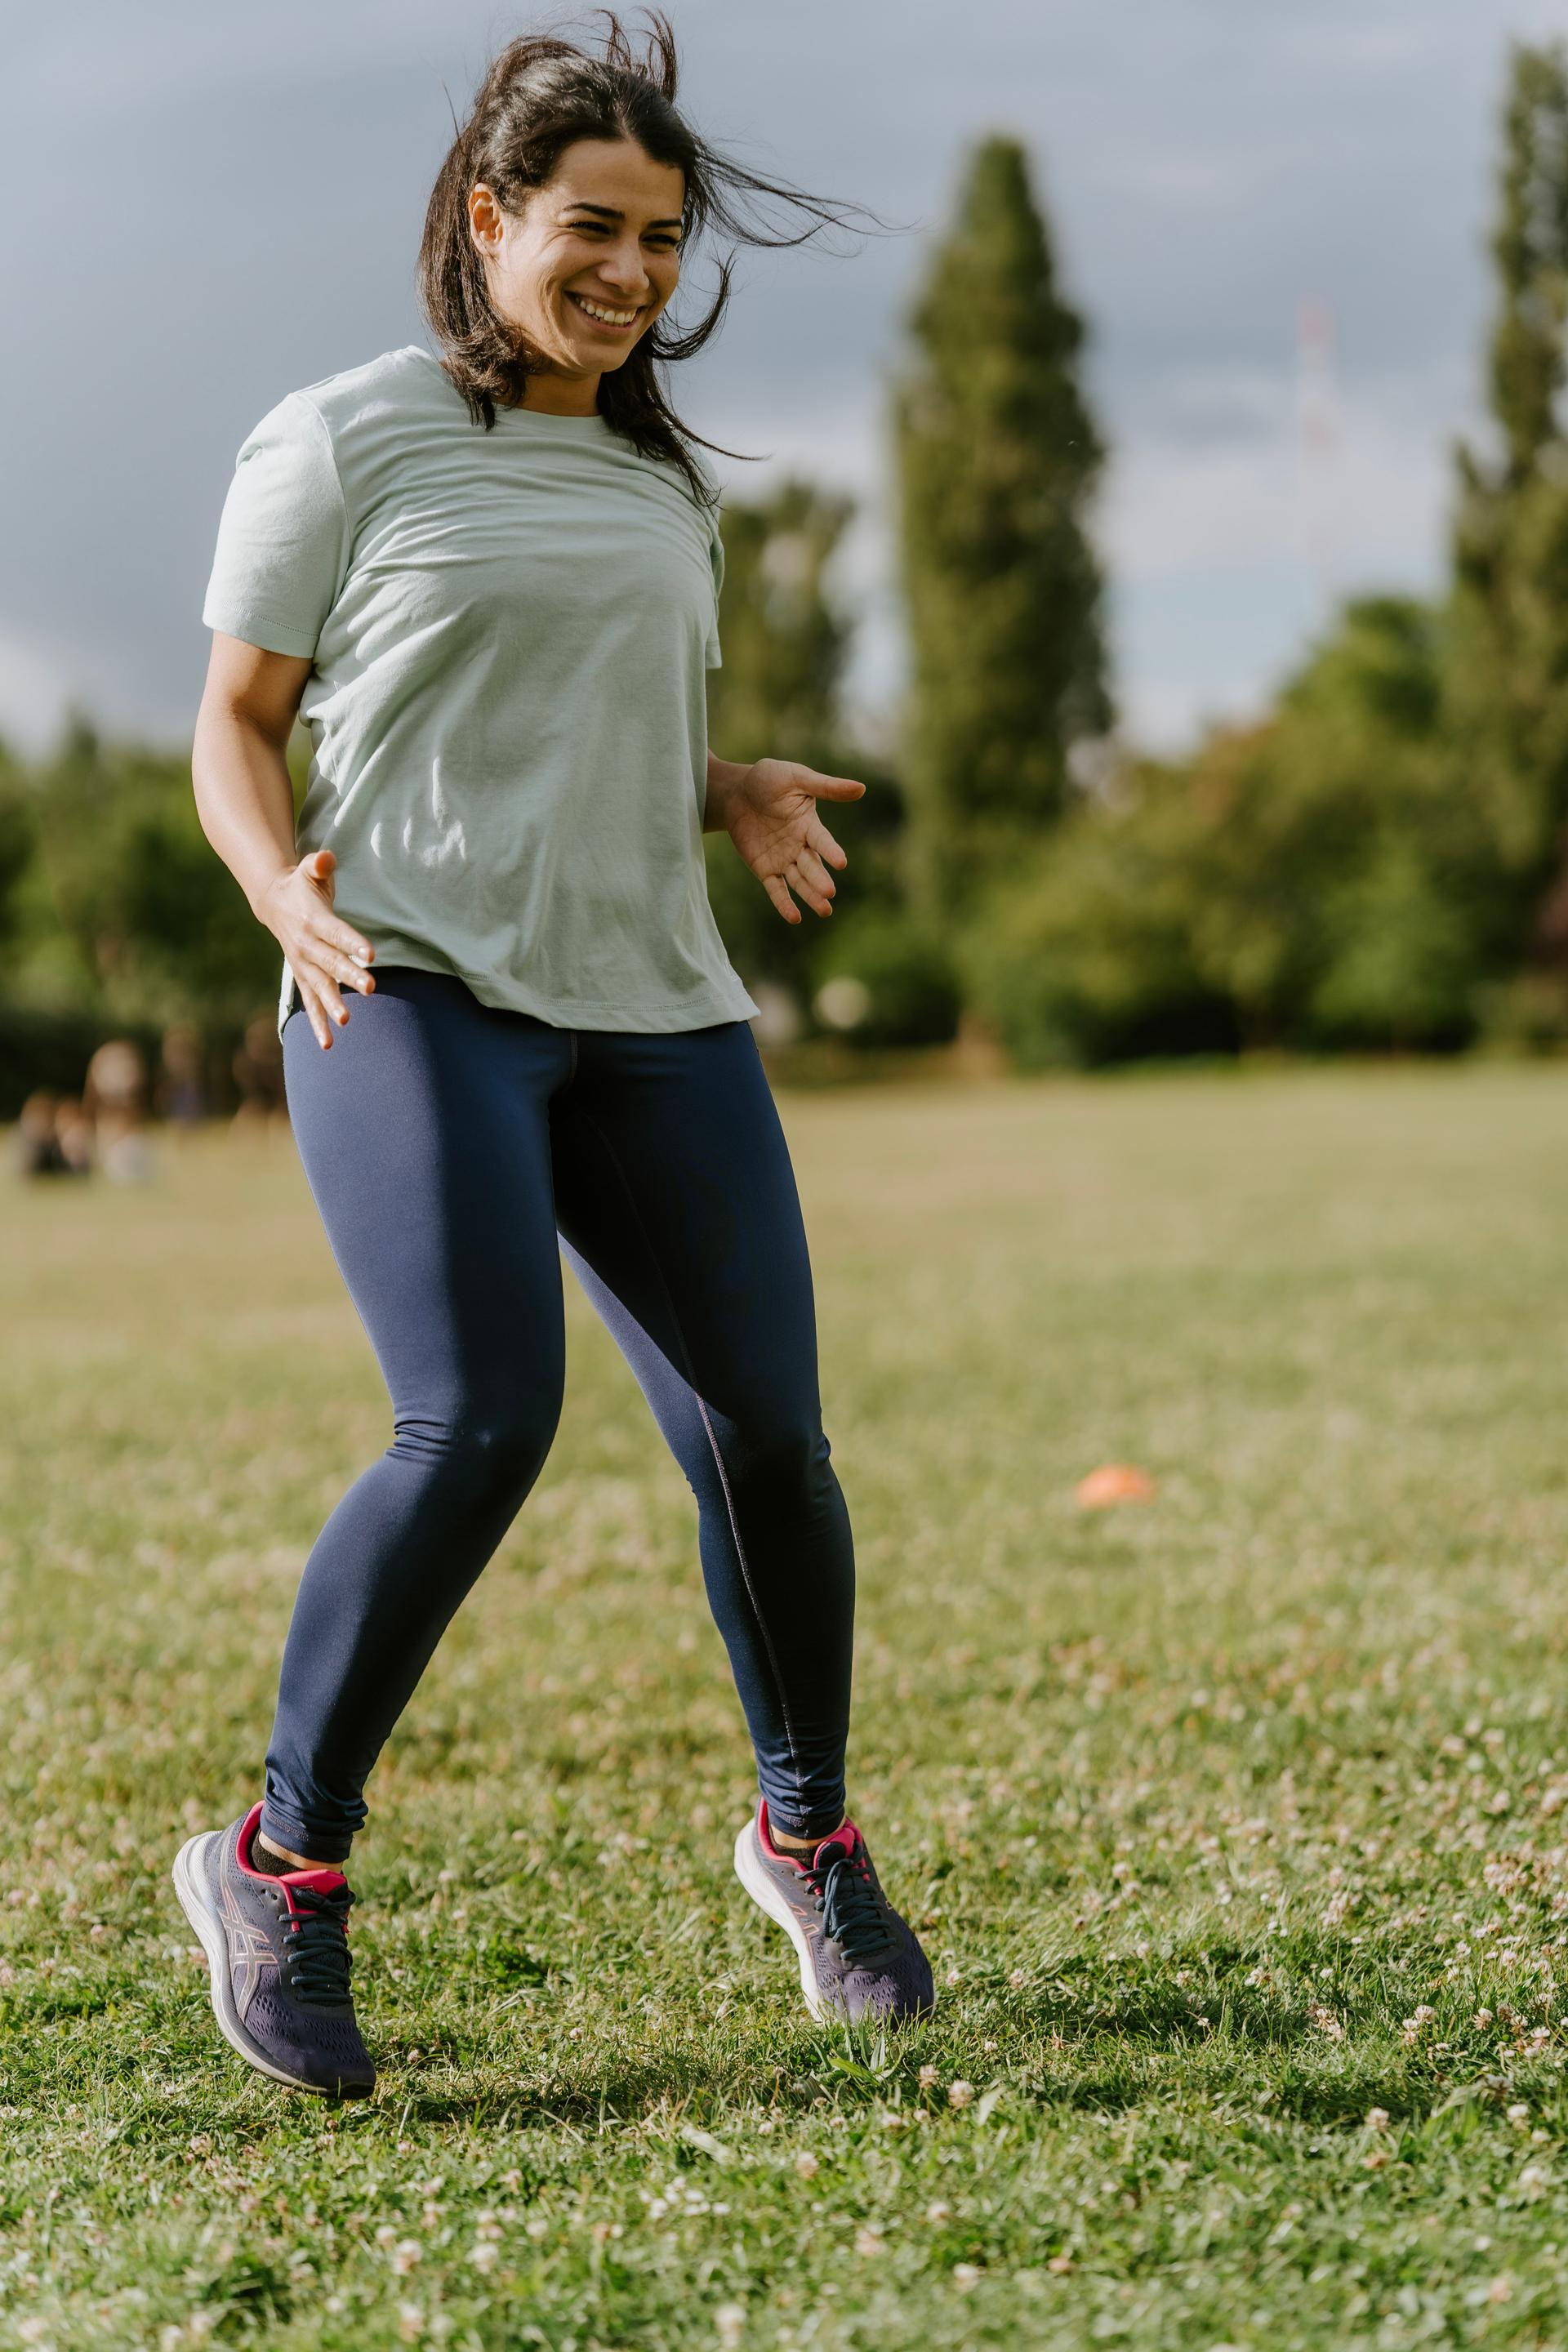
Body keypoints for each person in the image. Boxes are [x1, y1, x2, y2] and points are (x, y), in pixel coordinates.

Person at [172, 14, 933, 2100]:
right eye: (592, 228)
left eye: (663, 241)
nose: (630, 272)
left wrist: (722, 782)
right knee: (479, 1419)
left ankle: (809, 1845)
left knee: (768, 1442)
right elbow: (243, 725)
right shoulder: (342, 437)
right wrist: (279, 900)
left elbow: (538, 728)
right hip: (400, 989)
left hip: (654, 1010)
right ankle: (276, 1860)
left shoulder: (659, 478)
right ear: (490, 219)